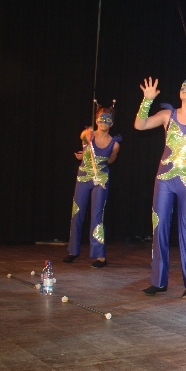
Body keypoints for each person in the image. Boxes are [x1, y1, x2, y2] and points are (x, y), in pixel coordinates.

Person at [135, 76, 186, 299]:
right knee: (159, 226)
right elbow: (139, 125)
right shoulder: (167, 115)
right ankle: (158, 281)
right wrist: (147, 101)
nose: (185, 87)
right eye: (183, 84)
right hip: (164, 178)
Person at [64, 103, 121, 268]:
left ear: (112, 123)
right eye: (101, 119)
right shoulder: (88, 135)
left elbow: (111, 160)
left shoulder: (114, 144)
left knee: (97, 215)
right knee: (77, 213)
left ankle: (100, 256)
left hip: (100, 179)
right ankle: (73, 251)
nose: (104, 122)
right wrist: (83, 154)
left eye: (107, 119)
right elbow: (83, 139)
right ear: (96, 120)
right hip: (83, 177)